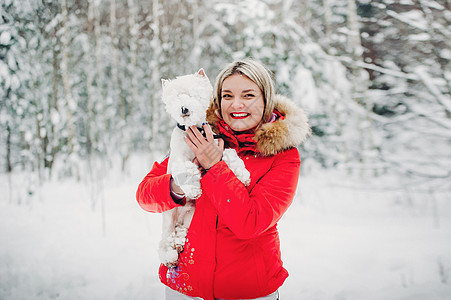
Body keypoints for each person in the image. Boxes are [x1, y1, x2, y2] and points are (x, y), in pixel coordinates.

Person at [136, 59, 311, 300]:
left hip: (247, 291)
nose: (236, 104)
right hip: (185, 287)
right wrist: (177, 186)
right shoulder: (198, 135)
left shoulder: (282, 155)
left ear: (265, 99)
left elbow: (251, 223)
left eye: (248, 95)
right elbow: (145, 195)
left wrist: (215, 166)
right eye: (227, 96)